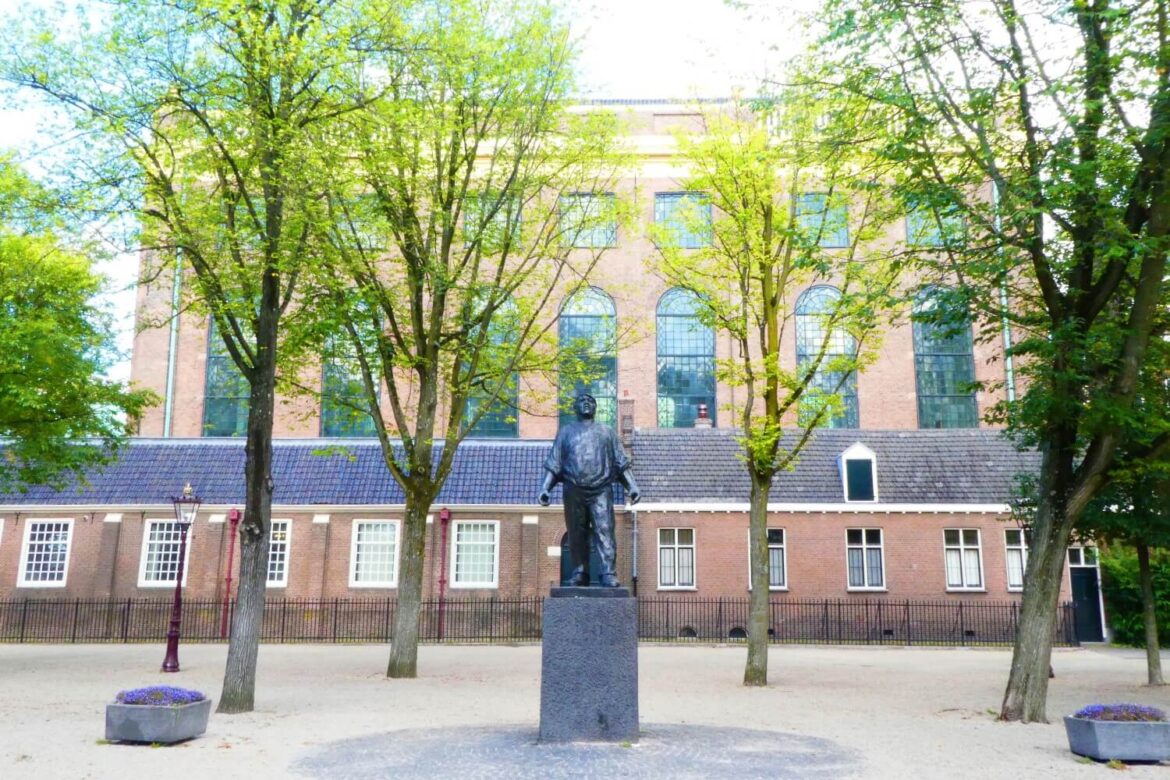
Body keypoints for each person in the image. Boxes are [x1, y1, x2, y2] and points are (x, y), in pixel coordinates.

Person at [538, 393, 640, 587]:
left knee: (605, 530)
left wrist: (632, 486)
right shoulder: (566, 432)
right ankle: (580, 571)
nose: (587, 404)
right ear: (575, 408)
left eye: (591, 401)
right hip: (573, 490)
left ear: (596, 408)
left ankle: (608, 572)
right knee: (576, 533)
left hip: (600, 489)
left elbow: (621, 462)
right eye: (582, 401)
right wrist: (545, 489)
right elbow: (554, 463)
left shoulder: (607, 432)